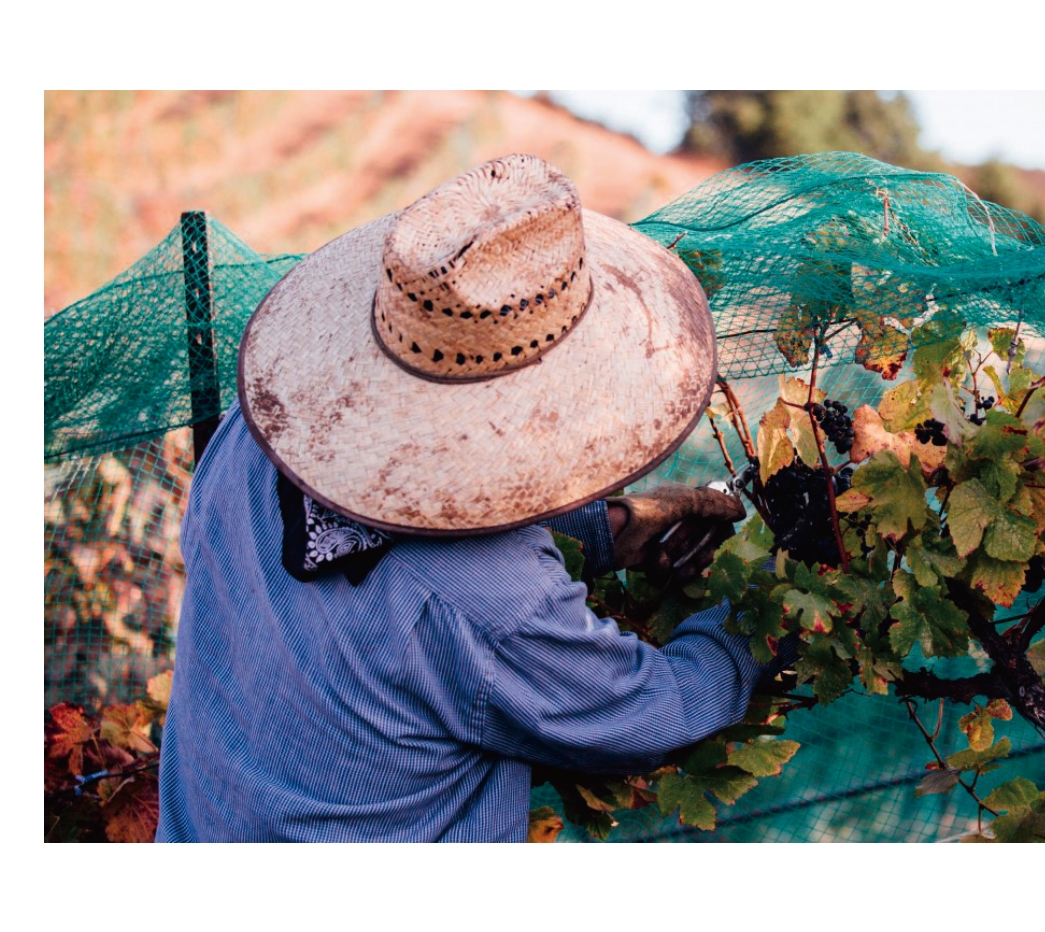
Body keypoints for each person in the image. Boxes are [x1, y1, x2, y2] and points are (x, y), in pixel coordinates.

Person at [157, 155, 772, 842]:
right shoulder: (492, 604)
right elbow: (657, 710)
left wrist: (601, 529)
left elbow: (395, 509)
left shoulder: (261, 426)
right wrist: (761, 611)